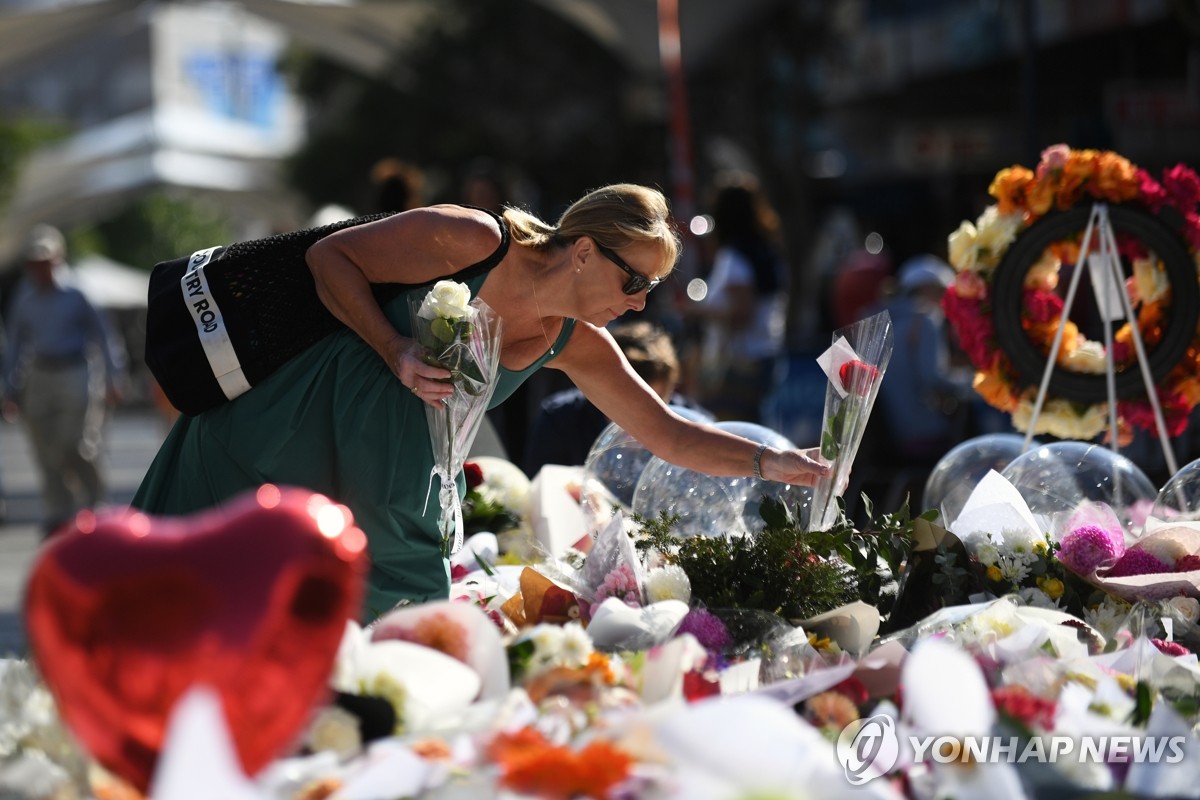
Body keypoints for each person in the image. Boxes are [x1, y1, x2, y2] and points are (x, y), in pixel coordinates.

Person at [131, 184, 829, 619]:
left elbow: (668, 432)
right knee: (172, 595)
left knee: (359, 633)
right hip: (278, 434)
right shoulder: (474, 239)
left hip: (389, 487)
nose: (641, 303)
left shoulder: (575, 342)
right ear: (584, 251)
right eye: (634, 281)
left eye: (651, 291)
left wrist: (775, 462)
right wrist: (392, 346)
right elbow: (328, 259)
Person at [4, 224, 126, 535]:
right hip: (40, 374)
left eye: (45, 260)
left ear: (57, 258)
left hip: (76, 371)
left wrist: (115, 377)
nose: (40, 267)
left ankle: (96, 504)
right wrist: (10, 387)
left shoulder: (78, 291)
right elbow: (16, 343)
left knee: (77, 444)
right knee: (45, 449)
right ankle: (58, 513)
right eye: (34, 261)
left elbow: (104, 335)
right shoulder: (25, 296)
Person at [522, 319, 708, 476]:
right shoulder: (559, 419)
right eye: (630, 402)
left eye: (655, 402)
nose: (640, 417)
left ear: (671, 390)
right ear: (603, 385)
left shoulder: (693, 426)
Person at [687, 174, 787, 422]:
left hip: (740, 363)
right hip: (766, 354)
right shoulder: (767, 251)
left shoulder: (734, 257)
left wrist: (694, 311)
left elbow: (743, 313)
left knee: (738, 435)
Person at [876, 255, 974, 463]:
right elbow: (934, 377)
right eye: (942, 293)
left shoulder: (880, 319)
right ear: (928, 290)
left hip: (888, 434)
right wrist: (975, 383)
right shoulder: (927, 318)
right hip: (924, 430)